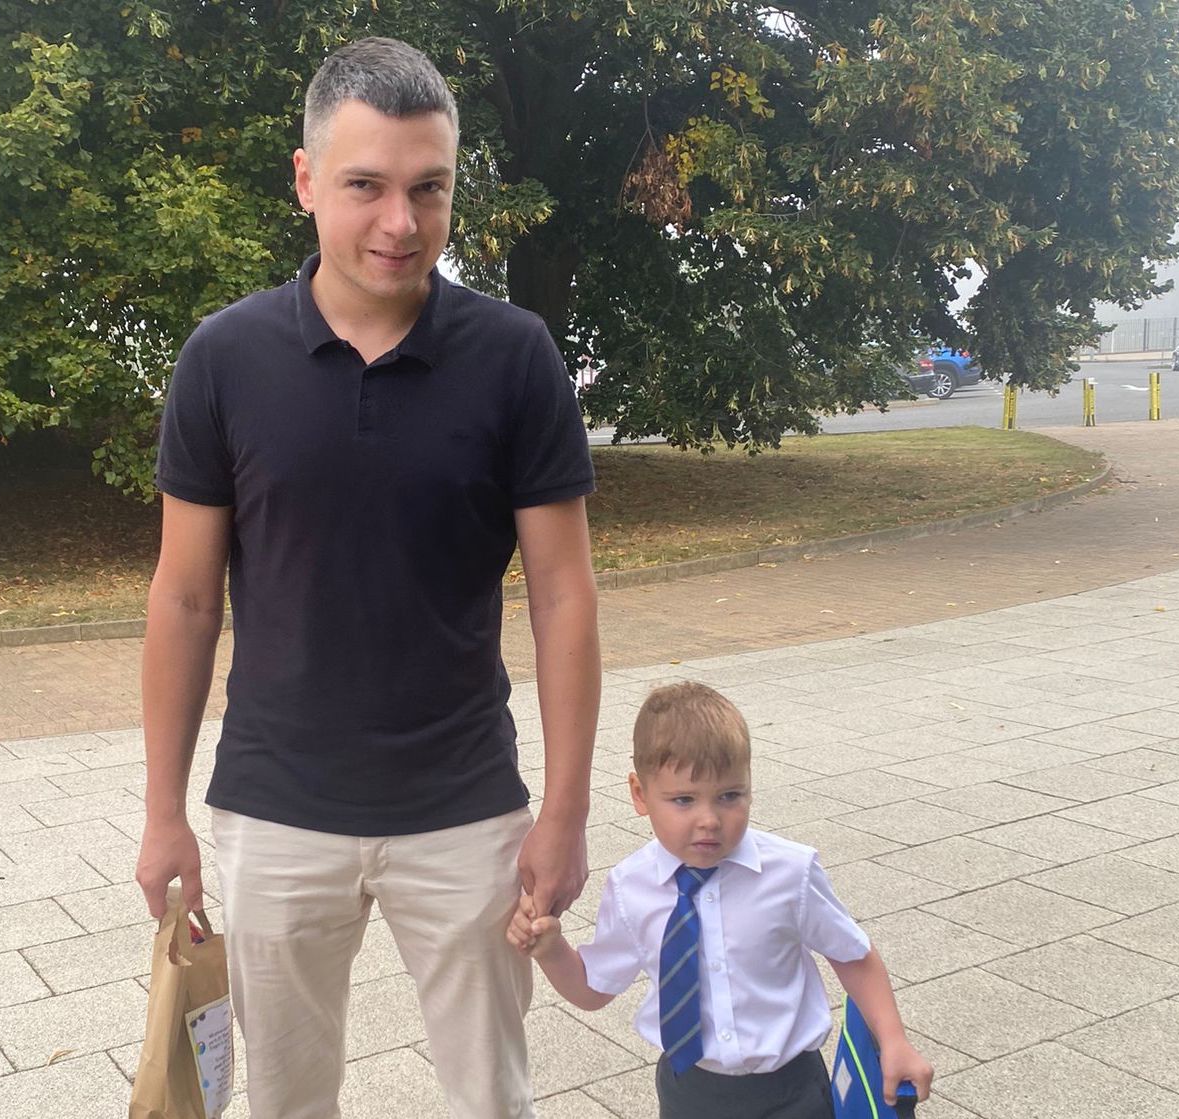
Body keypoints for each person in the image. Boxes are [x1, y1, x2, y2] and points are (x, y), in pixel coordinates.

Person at [134, 35, 601, 1119]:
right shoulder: (223, 359)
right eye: (366, 187)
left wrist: (565, 815)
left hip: (466, 809)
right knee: (287, 1102)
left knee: (492, 1098)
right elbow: (185, 598)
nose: (401, 223)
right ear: (306, 183)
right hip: (274, 809)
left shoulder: (516, 356)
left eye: (428, 189)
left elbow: (564, 593)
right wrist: (164, 812)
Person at [508, 682, 932, 1119]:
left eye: (730, 796)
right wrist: (550, 949)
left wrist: (894, 1040)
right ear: (640, 794)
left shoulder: (790, 873)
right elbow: (592, 989)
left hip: (791, 1089)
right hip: (690, 1090)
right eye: (683, 800)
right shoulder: (631, 887)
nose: (708, 820)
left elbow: (853, 956)